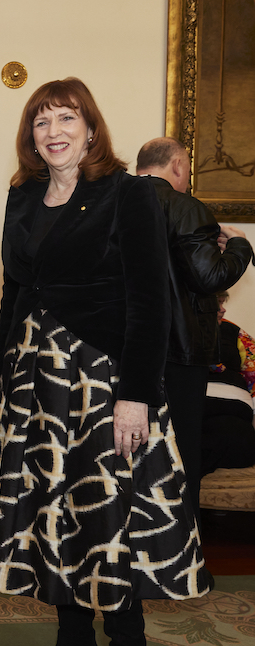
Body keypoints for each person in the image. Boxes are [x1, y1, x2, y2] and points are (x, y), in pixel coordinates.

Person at [0, 78, 213, 646]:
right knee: (55, 517)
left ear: (90, 129)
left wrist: (136, 394)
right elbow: (15, 292)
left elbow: (151, 303)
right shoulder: (23, 195)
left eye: (66, 118)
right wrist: (3, 371)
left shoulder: (131, 194)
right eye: (41, 121)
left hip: (101, 384)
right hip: (35, 382)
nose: (53, 131)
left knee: (108, 525)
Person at [134, 137, 252, 522]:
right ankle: (182, 557)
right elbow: (210, 276)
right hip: (179, 353)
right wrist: (238, 247)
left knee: (131, 451)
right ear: (179, 166)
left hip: (126, 350)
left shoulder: (113, 202)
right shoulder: (185, 207)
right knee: (179, 454)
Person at [202, 292, 255, 476]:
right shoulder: (175, 331)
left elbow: (253, 373)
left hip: (235, 418)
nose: (223, 309)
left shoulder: (236, 333)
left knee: (239, 437)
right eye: (217, 303)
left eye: (223, 302)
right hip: (199, 412)